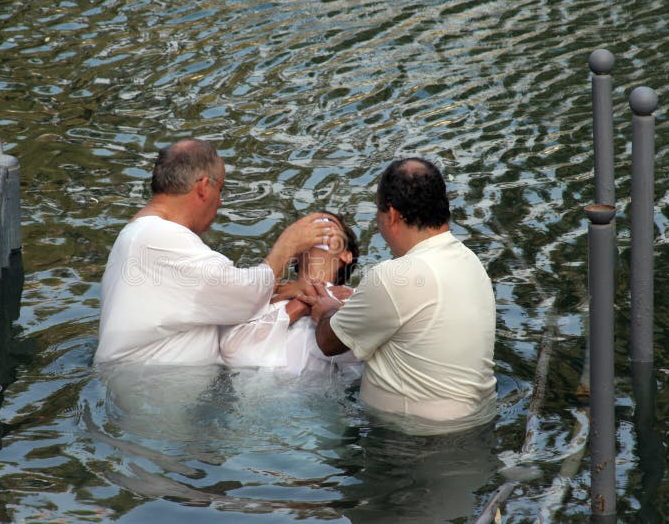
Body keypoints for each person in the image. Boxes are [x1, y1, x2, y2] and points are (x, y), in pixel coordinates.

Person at [95, 138, 340, 366]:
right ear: (203, 187)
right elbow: (244, 297)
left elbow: (220, 293)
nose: (220, 202)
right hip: (148, 392)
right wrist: (286, 248)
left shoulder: (142, 235)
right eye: (220, 189)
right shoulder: (158, 238)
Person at [300, 158, 497, 429]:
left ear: (391, 215)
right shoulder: (471, 263)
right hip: (476, 424)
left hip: (411, 442)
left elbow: (329, 342)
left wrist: (327, 309)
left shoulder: (396, 276)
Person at [219, 212, 361, 377]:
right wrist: (299, 305)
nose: (320, 226)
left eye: (329, 223)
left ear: (346, 255)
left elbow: (359, 360)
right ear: (295, 255)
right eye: (310, 226)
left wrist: (326, 301)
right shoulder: (263, 298)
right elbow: (233, 352)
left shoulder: (355, 300)